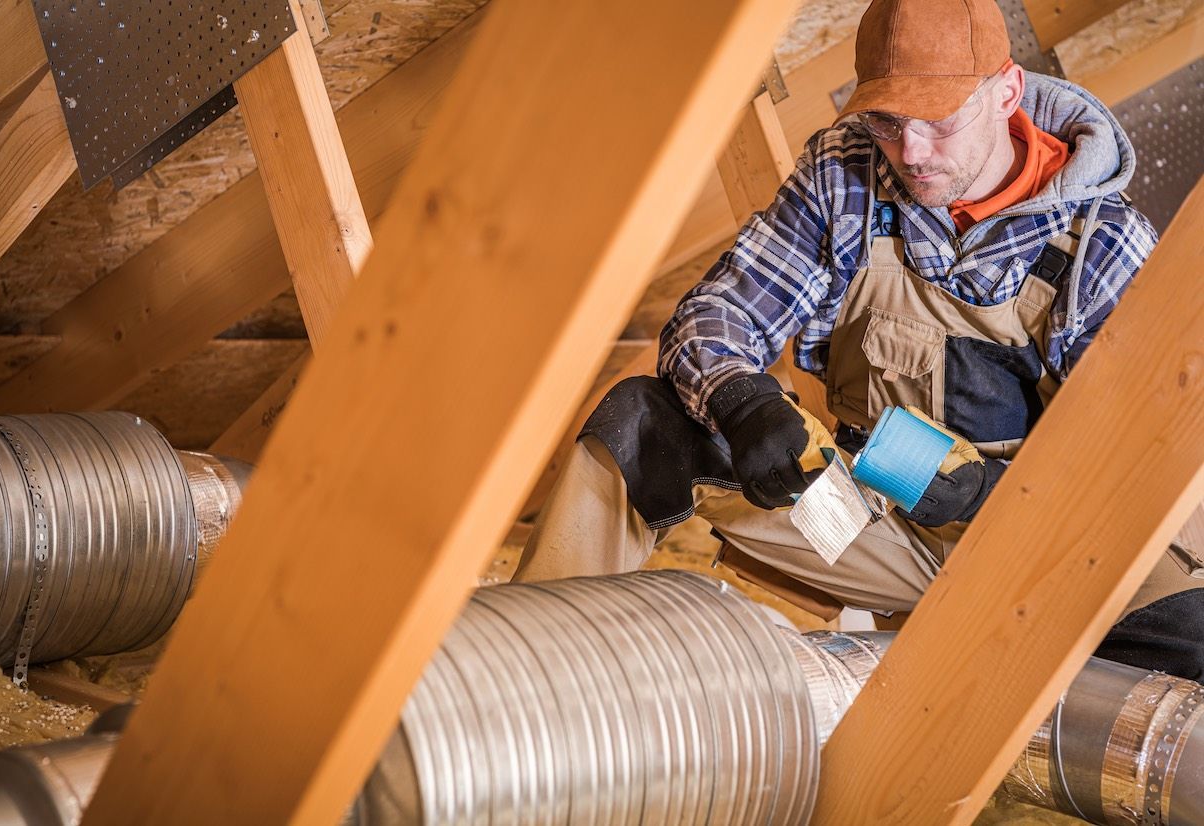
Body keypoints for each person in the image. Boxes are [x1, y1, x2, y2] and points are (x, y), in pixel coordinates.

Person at [514, 0, 1204, 678]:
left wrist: (990, 497)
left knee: (1190, 644)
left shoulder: (1102, 244)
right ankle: (527, 680)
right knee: (643, 424)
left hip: (1053, 546)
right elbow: (720, 312)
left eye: (937, 123)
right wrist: (744, 403)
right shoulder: (846, 174)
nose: (911, 153)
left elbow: (1138, 466)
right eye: (887, 121)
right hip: (872, 522)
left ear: (1006, 93)